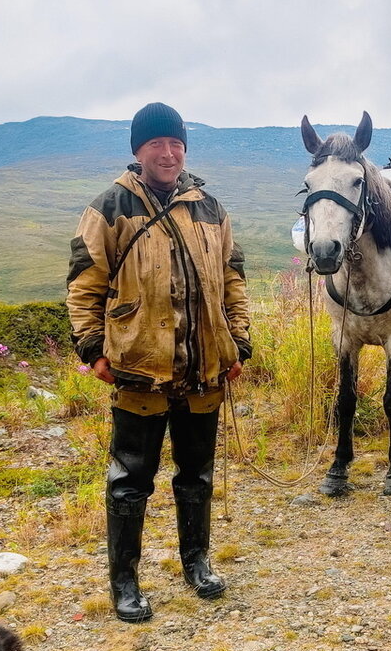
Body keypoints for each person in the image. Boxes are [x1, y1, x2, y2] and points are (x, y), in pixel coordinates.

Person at [66, 102, 252, 623]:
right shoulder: (109, 207)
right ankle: (124, 582)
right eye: (156, 144)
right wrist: (92, 348)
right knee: (129, 479)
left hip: (203, 369)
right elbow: (84, 284)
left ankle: (197, 563)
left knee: (196, 474)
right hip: (139, 367)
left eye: (176, 143)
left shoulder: (211, 208)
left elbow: (233, 279)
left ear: (185, 148)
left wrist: (238, 341)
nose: (168, 153)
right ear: (138, 150)